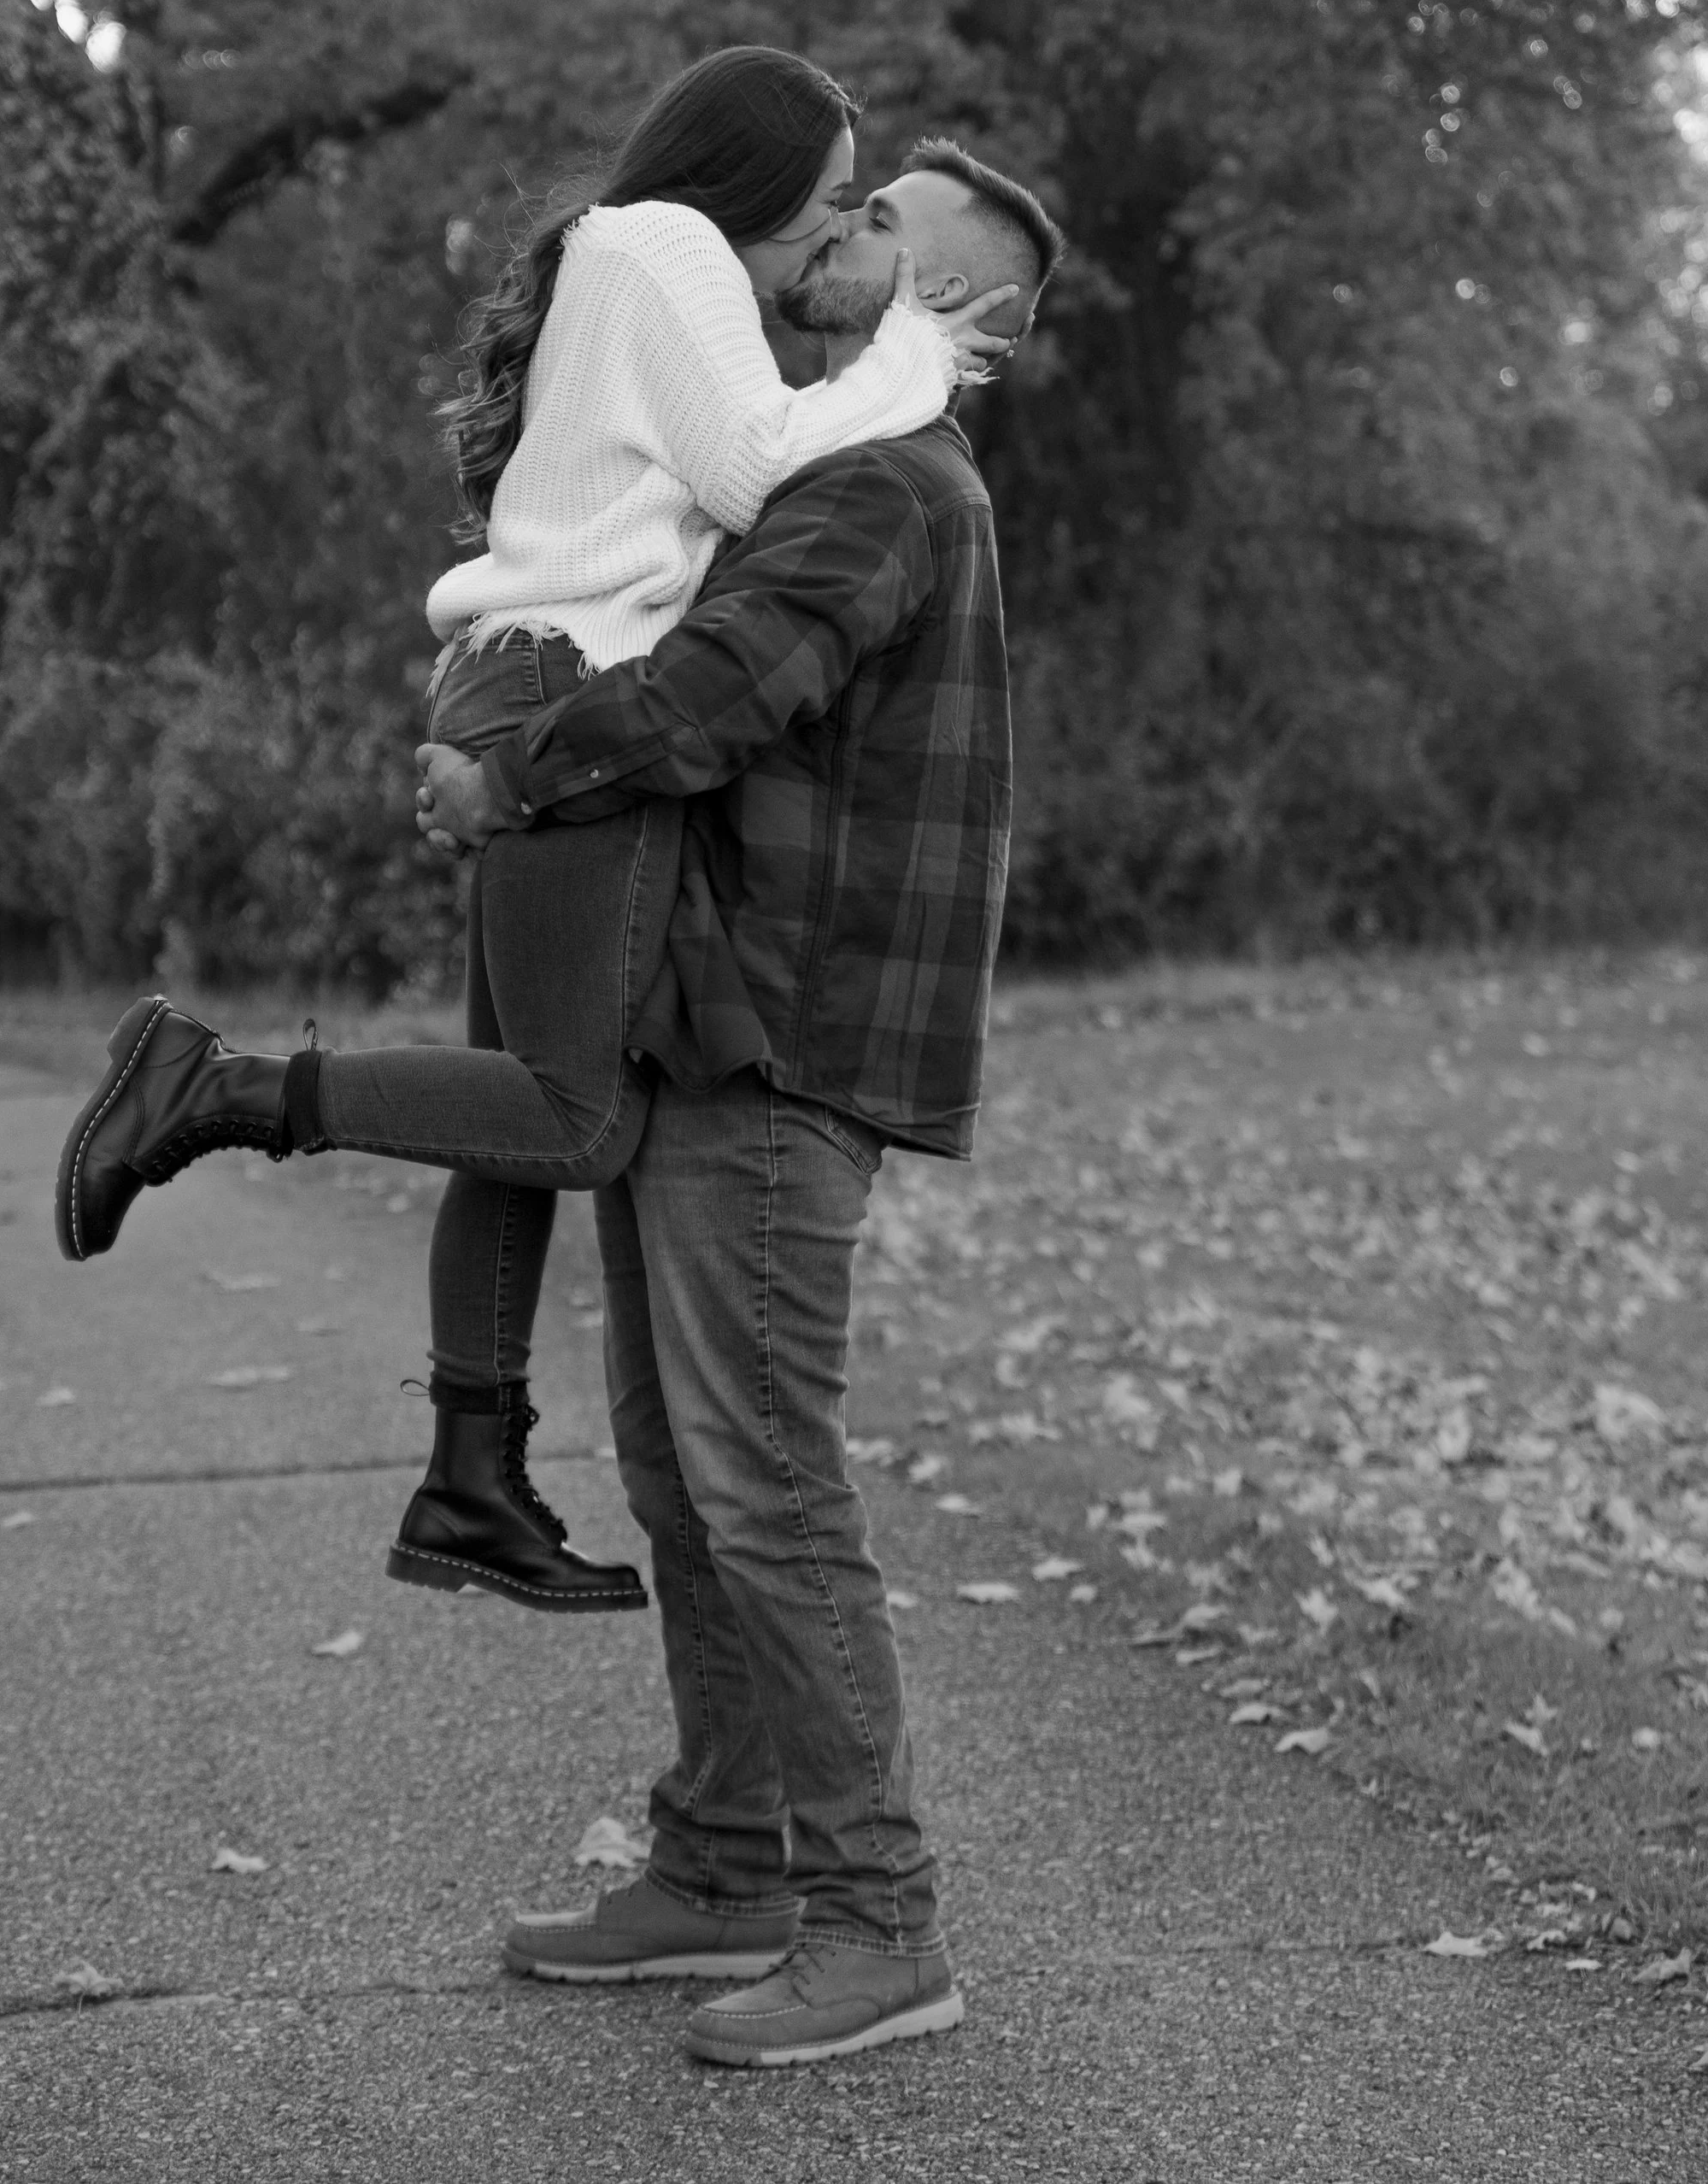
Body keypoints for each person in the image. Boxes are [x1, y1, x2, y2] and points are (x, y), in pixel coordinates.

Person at [51, 50, 1017, 1614]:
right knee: (575, 1117)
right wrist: (929, 338)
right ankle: (211, 1084)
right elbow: (765, 467)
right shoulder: (669, 247)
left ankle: (472, 1475)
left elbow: (732, 453)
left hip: (525, 681)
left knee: (510, 1116)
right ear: (746, 178)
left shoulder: (628, 262)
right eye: (828, 201)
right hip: (569, 690)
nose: (831, 234)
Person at [414, 138, 1064, 2069]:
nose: (829, 239)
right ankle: (721, 1863)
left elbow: (700, 698)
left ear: (964, 318)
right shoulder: (800, 459)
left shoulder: (876, 482)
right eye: (844, 211)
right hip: (710, 1025)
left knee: (763, 1479)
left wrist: (502, 775)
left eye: (877, 232)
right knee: (685, 1470)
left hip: (789, 1044)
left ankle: (879, 1925)